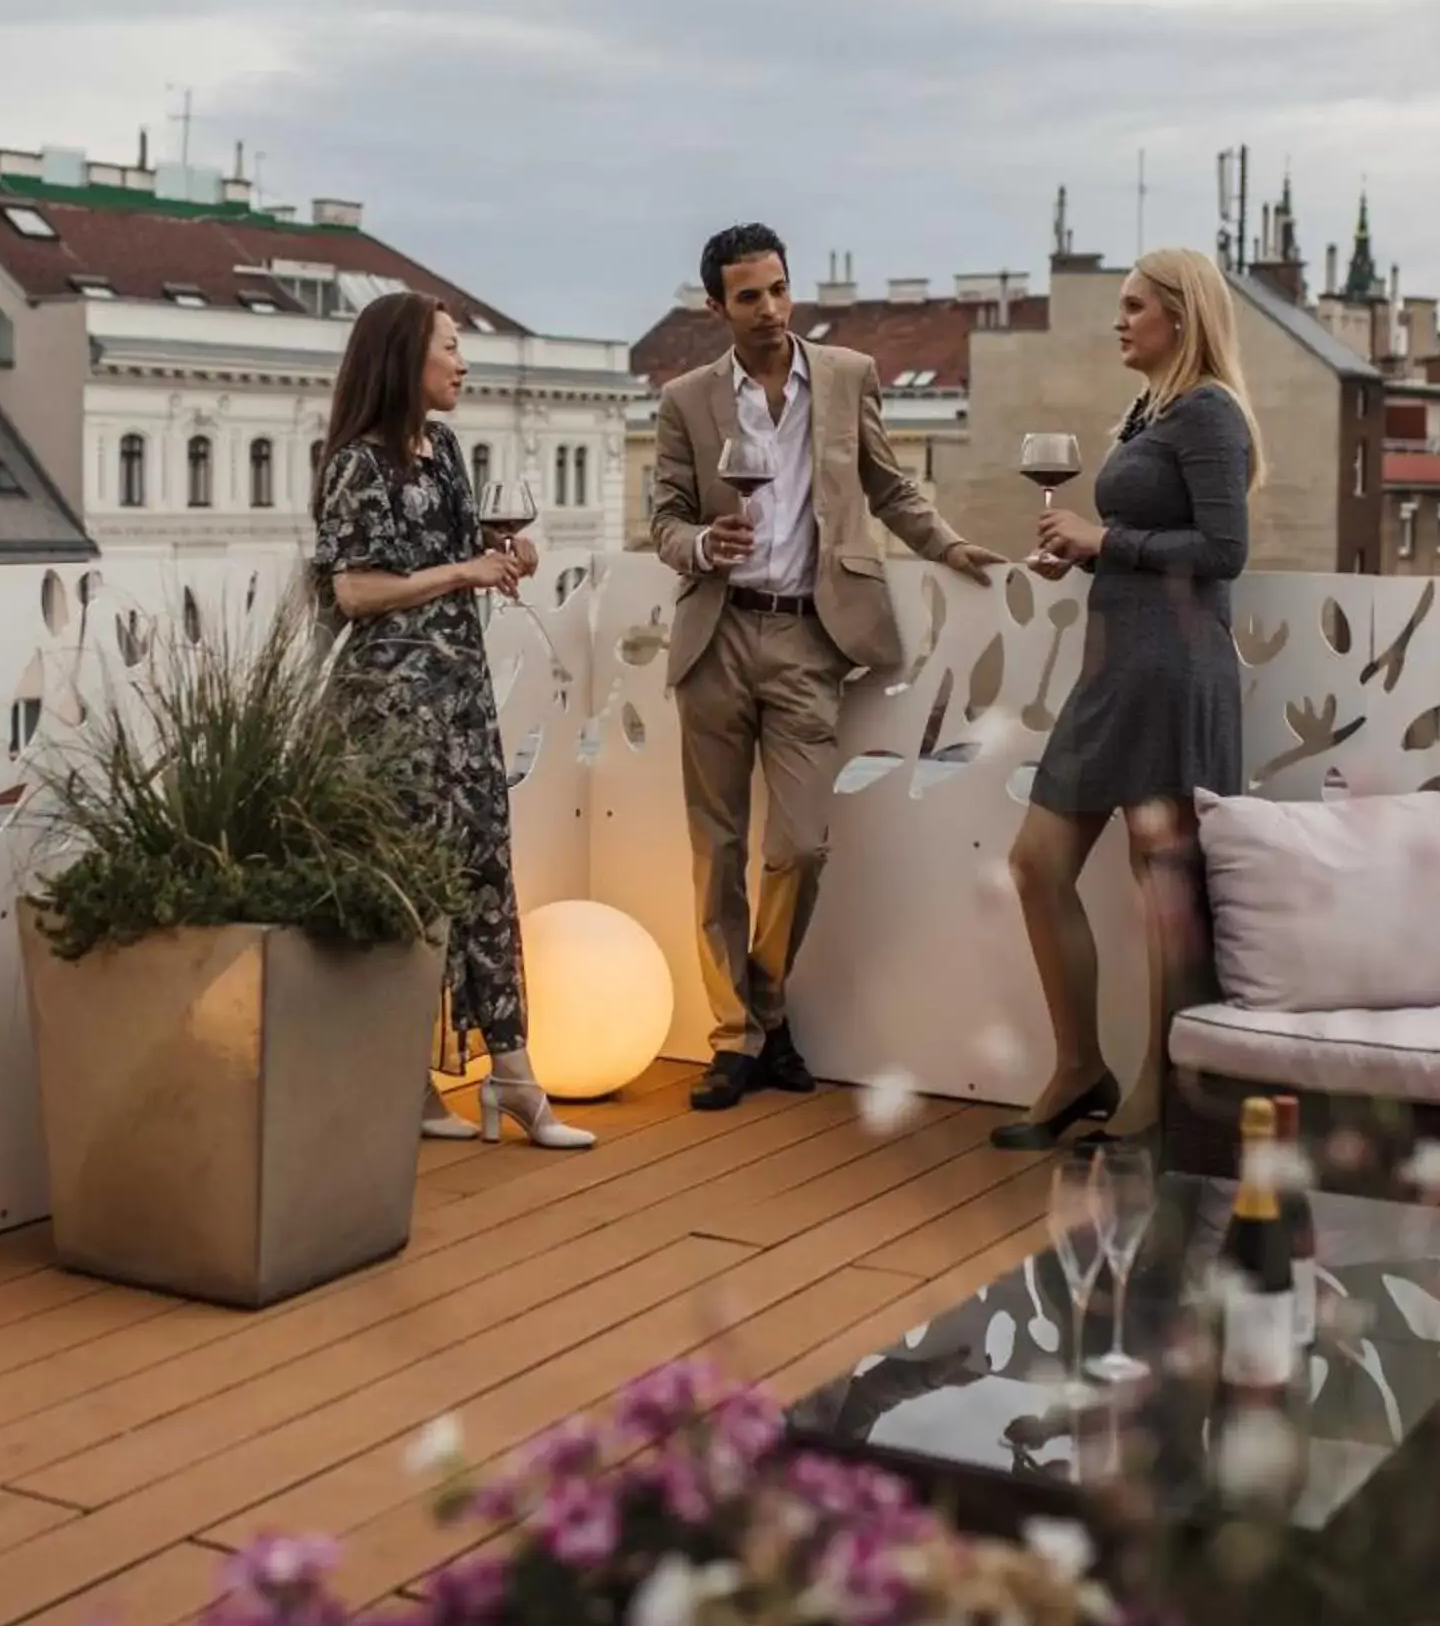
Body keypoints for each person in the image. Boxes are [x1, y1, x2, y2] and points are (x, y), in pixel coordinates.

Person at [651, 223, 1004, 1112]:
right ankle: (734, 1037)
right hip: (717, 635)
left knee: (800, 846)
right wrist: (701, 541)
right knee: (717, 848)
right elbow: (664, 520)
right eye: (748, 296)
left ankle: (766, 1002)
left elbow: (890, 486)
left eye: (777, 289)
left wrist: (952, 547)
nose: (769, 310)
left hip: (811, 638)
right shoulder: (686, 400)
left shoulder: (846, 377)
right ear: (715, 307)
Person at [993, 247, 1260, 1151]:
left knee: (1165, 894)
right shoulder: (1152, 411)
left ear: (1181, 316)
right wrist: (1090, 550)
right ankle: (1081, 1068)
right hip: (1115, 669)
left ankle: (1163, 1092)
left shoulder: (1211, 416)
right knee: (1036, 863)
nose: (1120, 320)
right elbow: (1149, 536)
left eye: (1134, 305)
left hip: (1176, 671)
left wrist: (1106, 540)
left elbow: (1225, 553)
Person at [313, 291, 593, 1149]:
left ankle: (512, 1078)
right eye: (449, 348)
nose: (462, 364)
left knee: (481, 874)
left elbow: (468, 553)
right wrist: (464, 573)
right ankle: (411, 1080)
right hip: (390, 708)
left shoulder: (443, 454)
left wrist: (512, 558)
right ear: (405, 359)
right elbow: (354, 590)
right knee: (407, 888)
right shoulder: (356, 463)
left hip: (461, 696)